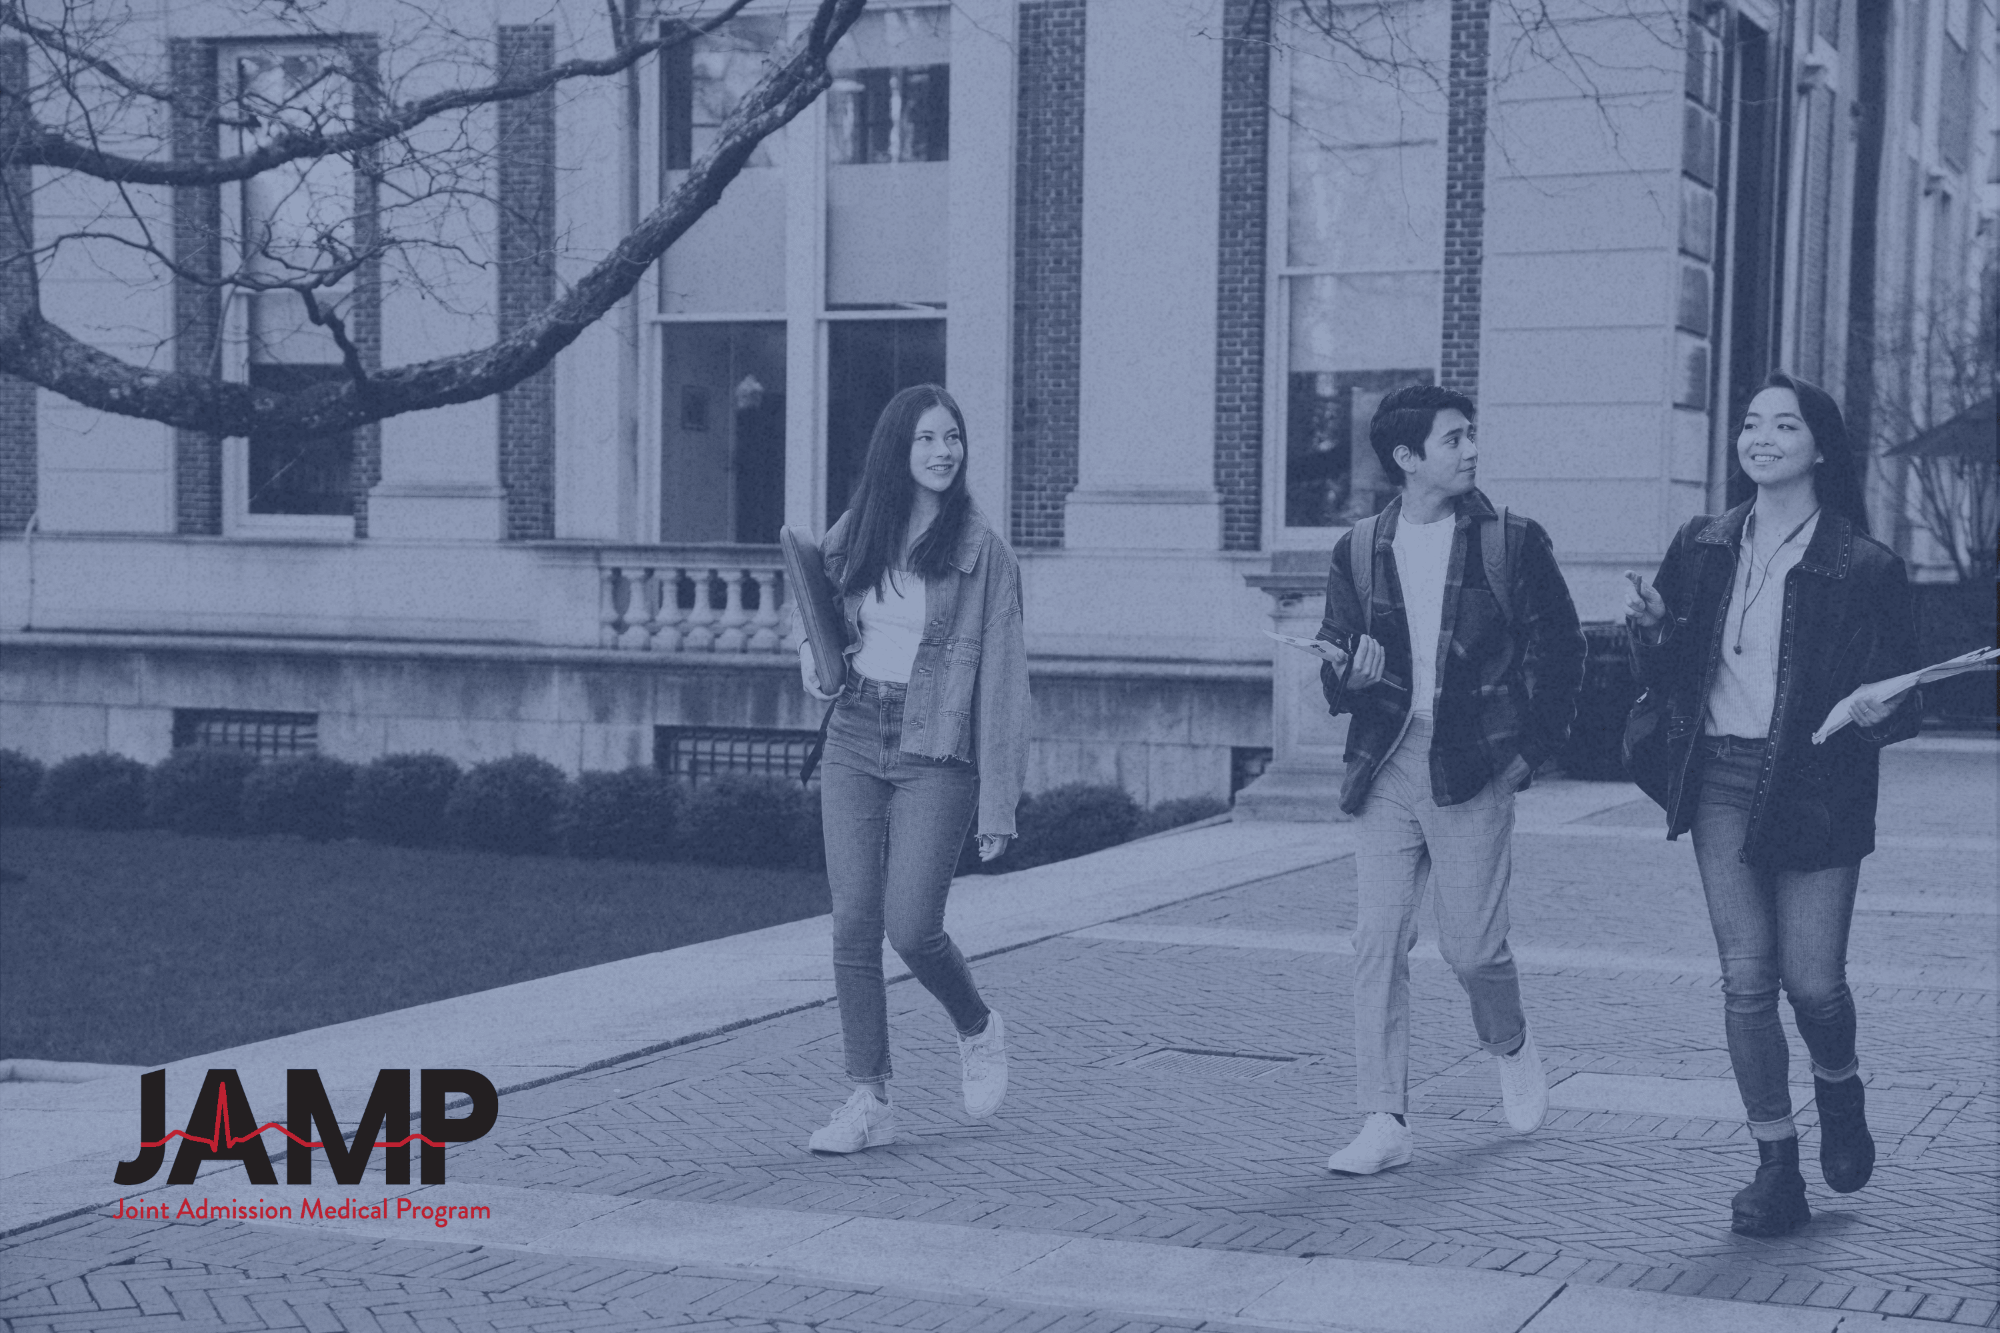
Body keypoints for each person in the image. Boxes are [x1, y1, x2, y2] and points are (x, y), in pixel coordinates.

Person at [1622, 371, 1921, 1236]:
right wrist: (1650, 628)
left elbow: (1905, 698)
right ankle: (1776, 1167)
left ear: (1820, 447)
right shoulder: (1703, 543)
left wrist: (1881, 704)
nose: (1761, 437)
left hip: (1820, 784)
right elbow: (1675, 676)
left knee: (1814, 984)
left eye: (1783, 426)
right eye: (1752, 424)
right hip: (1719, 775)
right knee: (1748, 981)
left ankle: (1840, 1087)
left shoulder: (1865, 566)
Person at [1308, 383, 1585, 1175]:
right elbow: (1334, 668)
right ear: (1407, 457)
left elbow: (1562, 651)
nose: (1470, 450)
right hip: (1387, 760)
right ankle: (1383, 1117)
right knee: (1377, 940)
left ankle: (1512, 1040)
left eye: (1471, 436)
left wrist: (1531, 751)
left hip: (1474, 761)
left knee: (1473, 950)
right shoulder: (1358, 548)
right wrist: (1350, 675)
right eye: (1454, 439)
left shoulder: (1511, 542)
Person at [795, 384, 1031, 1155]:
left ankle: (976, 1023)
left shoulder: (981, 550)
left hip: (940, 748)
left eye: (952, 437)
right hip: (856, 730)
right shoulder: (860, 528)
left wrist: (1000, 800)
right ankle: (869, 1096)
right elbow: (814, 603)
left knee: (913, 928)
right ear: (899, 449)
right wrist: (811, 654)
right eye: (927, 438)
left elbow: (1003, 680)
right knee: (853, 924)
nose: (942, 451)